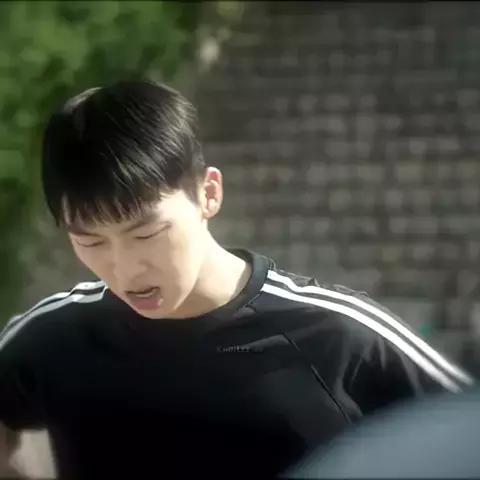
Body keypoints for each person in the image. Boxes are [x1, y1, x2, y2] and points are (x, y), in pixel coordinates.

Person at [0, 79, 474, 479]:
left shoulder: (339, 335)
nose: (124, 269)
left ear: (208, 193)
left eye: (146, 234)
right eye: (91, 242)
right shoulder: (49, 338)